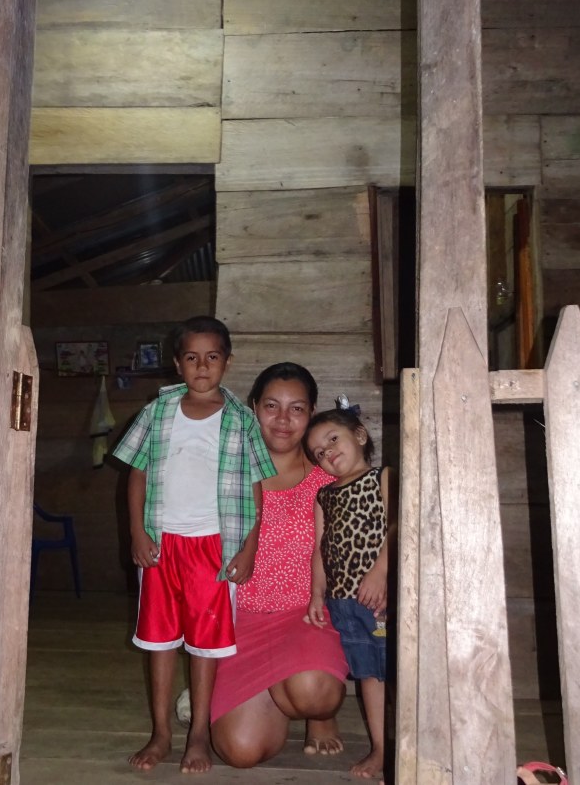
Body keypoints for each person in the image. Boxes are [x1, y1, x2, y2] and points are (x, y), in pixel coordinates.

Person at [114, 316, 276, 774]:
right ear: (176, 364)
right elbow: (137, 472)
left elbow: (256, 487)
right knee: (159, 641)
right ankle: (161, 732)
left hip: (215, 548)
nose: (202, 367)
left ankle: (199, 732)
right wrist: (137, 531)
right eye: (191, 358)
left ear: (227, 362)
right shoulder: (157, 412)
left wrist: (248, 547)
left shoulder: (242, 421)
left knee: (205, 645)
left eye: (212, 357)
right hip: (162, 546)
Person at [211, 362, 349, 767]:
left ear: (312, 411)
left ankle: (319, 716)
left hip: (307, 617)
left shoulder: (328, 478)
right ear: (253, 407)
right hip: (239, 622)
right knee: (240, 751)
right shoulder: (227, 471)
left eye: (297, 408)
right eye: (271, 405)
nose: (283, 420)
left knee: (315, 694)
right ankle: (276, 688)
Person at [304, 407, 397, 780]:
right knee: (369, 676)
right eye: (318, 453)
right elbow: (319, 549)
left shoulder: (383, 477)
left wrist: (381, 572)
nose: (327, 452)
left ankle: (412, 741)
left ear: (359, 436)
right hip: (343, 603)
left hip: (384, 597)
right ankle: (380, 747)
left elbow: (397, 524)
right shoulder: (324, 495)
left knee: (398, 670)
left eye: (332, 440)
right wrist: (316, 594)